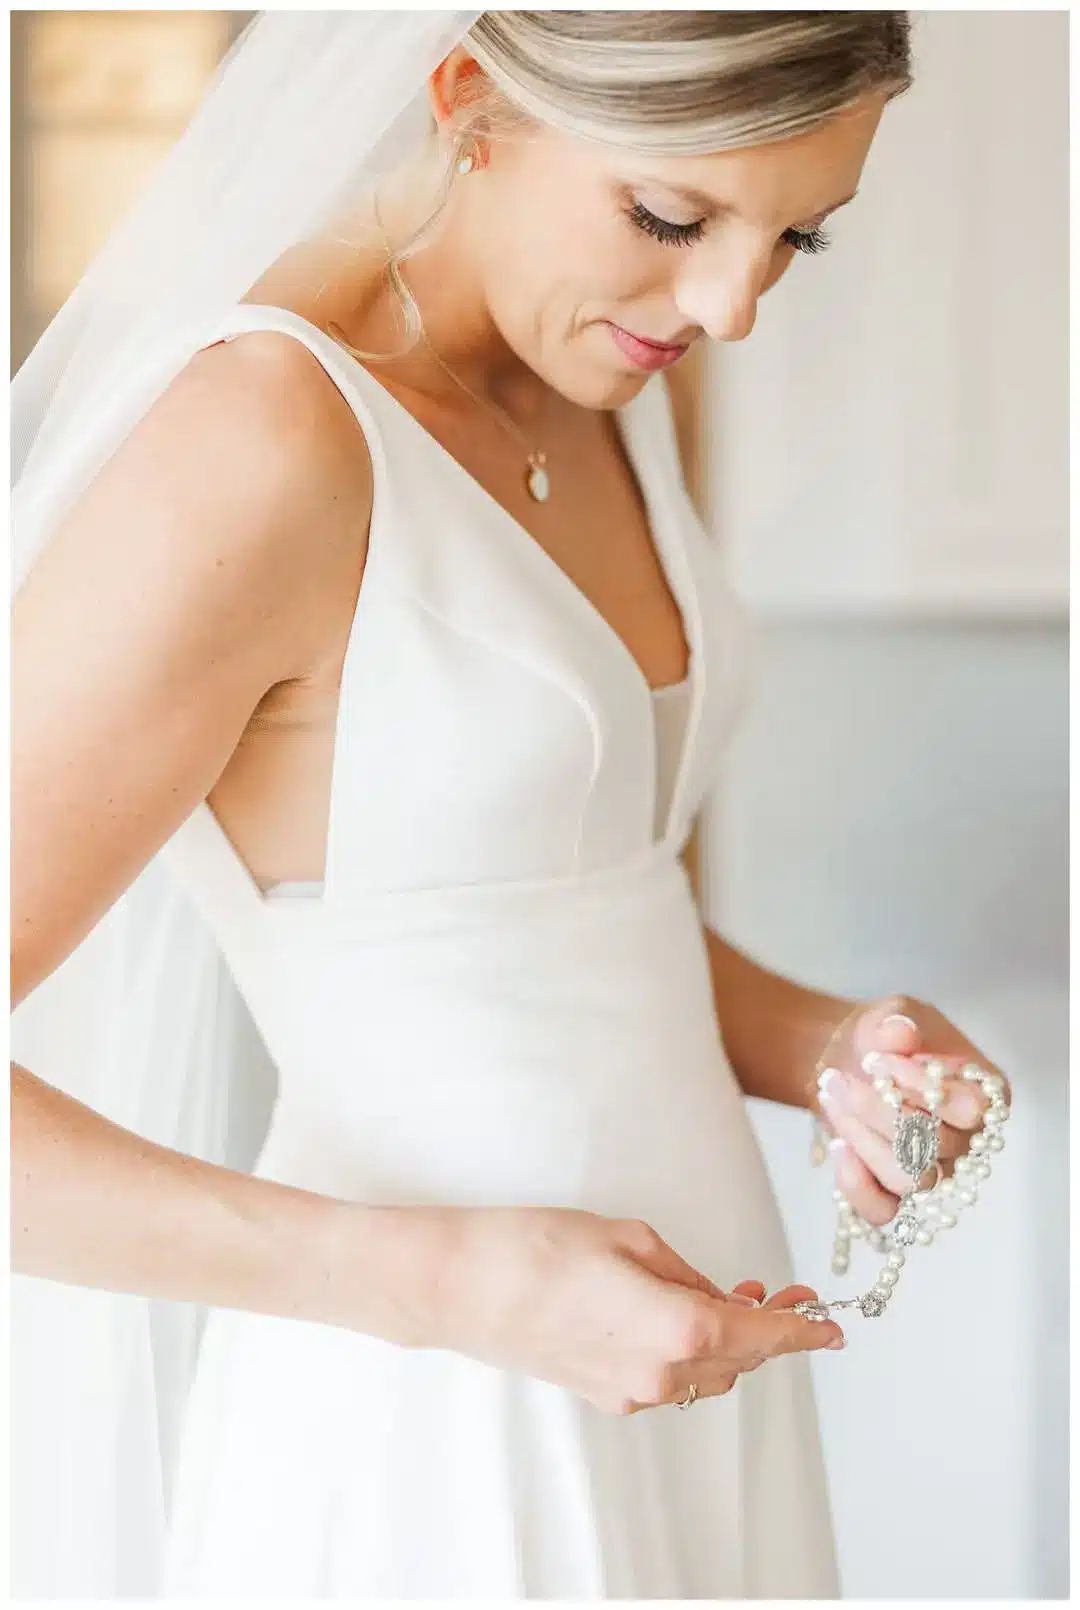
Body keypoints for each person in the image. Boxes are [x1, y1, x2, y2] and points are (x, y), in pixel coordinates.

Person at [12, 12, 919, 1598]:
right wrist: (452, 1286)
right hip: (427, 1422)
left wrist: (825, 1045)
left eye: (797, 237)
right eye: (671, 214)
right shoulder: (258, 440)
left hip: (685, 1386)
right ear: (469, 100)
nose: (731, 306)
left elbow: (554, 912)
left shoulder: (615, 370)